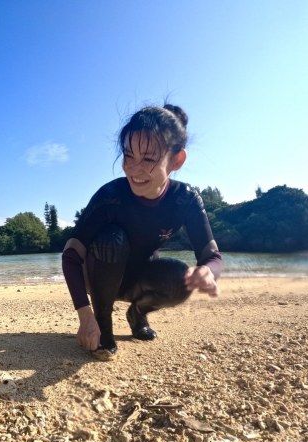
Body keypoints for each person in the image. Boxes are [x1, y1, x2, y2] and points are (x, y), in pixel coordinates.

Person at [62, 104, 222, 361]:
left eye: (148, 159)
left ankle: (138, 313)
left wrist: (208, 272)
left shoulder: (185, 199)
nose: (133, 169)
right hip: (100, 276)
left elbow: (211, 254)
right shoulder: (110, 197)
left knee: (183, 277)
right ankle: (103, 323)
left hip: (140, 278)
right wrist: (85, 315)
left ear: (176, 160)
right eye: (128, 155)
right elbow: (71, 254)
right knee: (111, 239)